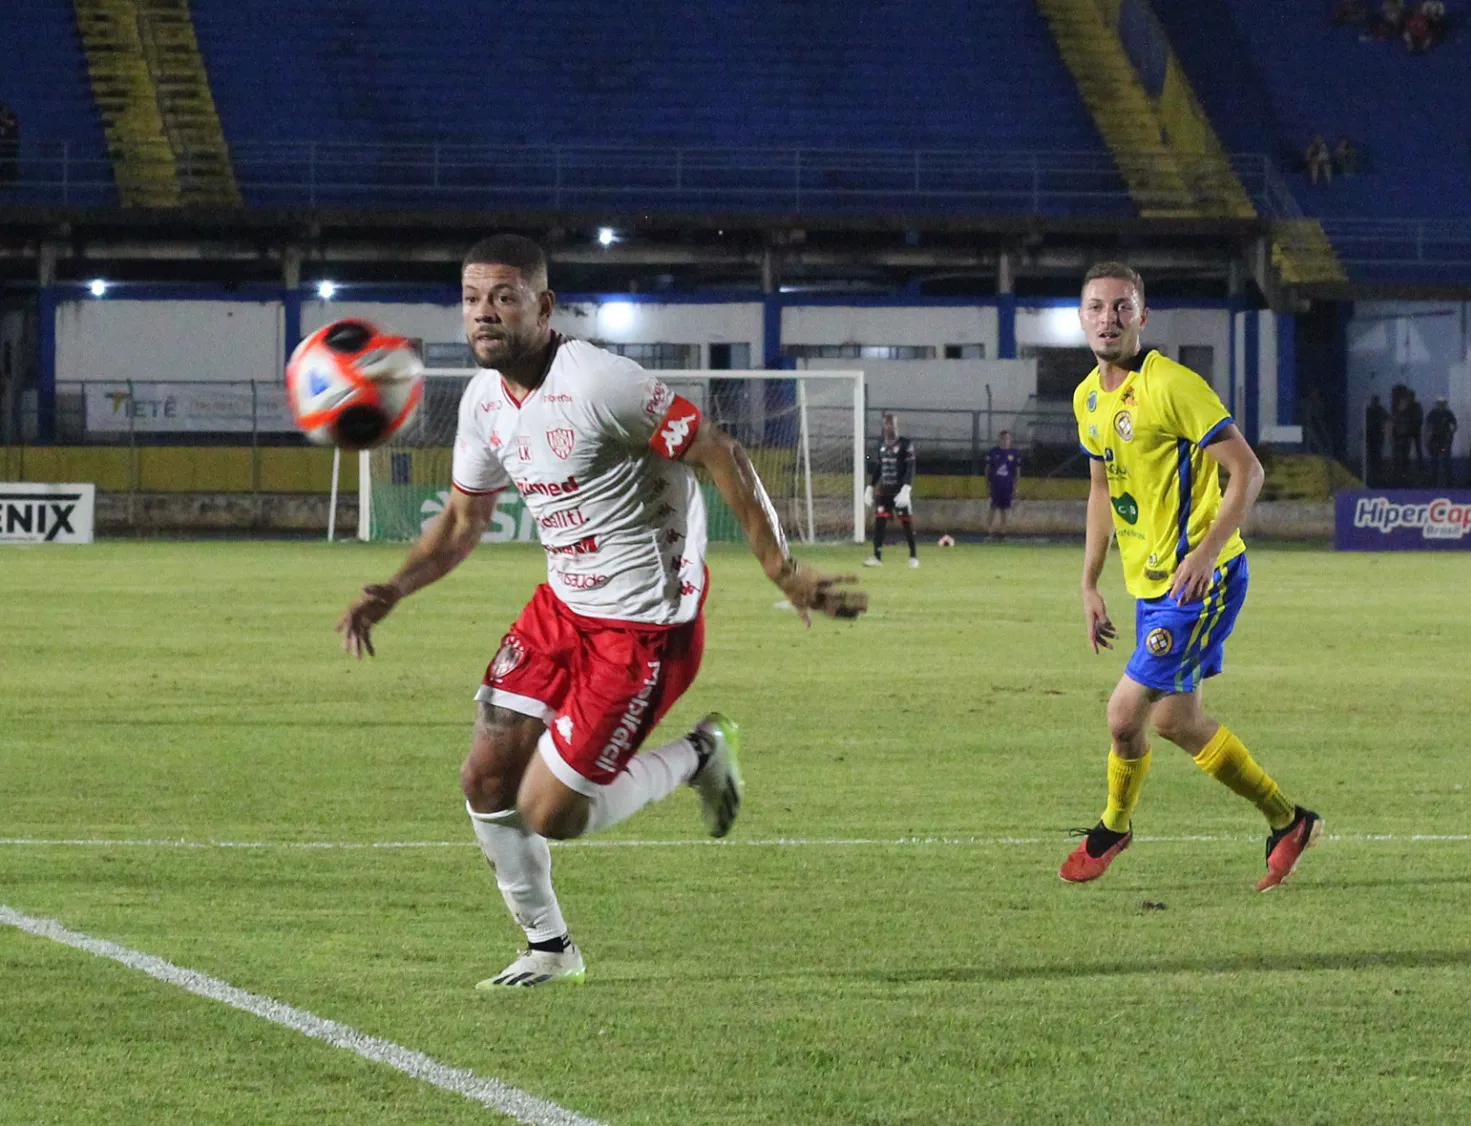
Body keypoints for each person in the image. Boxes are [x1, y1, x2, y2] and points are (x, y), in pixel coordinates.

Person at [336, 234, 867, 989]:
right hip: (564, 606)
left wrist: (782, 569)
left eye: (504, 297)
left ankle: (700, 755)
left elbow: (721, 450)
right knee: (486, 781)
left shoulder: (600, 383)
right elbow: (461, 521)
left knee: (551, 812)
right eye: (471, 299)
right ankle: (549, 949)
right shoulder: (485, 402)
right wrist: (393, 587)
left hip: (647, 624)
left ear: (544, 306)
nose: (484, 315)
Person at [1062, 262, 1321, 893]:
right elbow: (1101, 489)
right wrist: (1090, 582)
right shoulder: (1087, 399)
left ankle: (1113, 827)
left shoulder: (1172, 386)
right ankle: (1288, 821)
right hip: (1150, 587)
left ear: (1142, 317)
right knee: (1175, 721)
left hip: (1198, 581)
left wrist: (1204, 552)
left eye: (1122, 307)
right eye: (1097, 307)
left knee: (1124, 714)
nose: (1108, 318)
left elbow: (1248, 471)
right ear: (1081, 317)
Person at [863, 412, 918, 567]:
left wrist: (907, 488)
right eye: (886, 424)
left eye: (891, 424)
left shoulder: (906, 444)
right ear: (883, 426)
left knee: (906, 522)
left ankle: (913, 556)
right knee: (880, 520)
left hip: (899, 491)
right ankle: (877, 556)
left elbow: (910, 467)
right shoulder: (881, 444)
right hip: (884, 490)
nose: (889, 427)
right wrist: (870, 486)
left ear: (896, 425)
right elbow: (879, 467)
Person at [985, 429, 1022, 540]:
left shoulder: (1015, 453)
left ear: (1010, 440)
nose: (1006, 441)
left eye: (1008, 438)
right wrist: (987, 485)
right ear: (1000, 439)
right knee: (993, 508)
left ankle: (1003, 534)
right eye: (1003, 438)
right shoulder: (993, 452)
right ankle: (989, 533)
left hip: (1008, 486)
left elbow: (1017, 471)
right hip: (996, 485)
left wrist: (1016, 486)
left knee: (1005, 510)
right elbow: (987, 470)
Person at [1424, 396, 1456, 485]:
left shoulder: (1448, 413)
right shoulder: (1432, 413)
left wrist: (1450, 435)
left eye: (1442, 403)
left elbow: (1454, 425)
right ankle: (1433, 481)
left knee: (1446, 460)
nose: (1440, 405)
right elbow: (1427, 426)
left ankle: (1449, 482)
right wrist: (1427, 438)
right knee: (1434, 460)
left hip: (1445, 440)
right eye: (1439, 403)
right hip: (1435, 440)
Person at [1365, 393, 1389, 484]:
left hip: (1377, 435)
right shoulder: (1370, 410)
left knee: (1377, 453)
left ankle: (1377, 470)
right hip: (1371, 435)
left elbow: (1387, 418)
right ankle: (1373, 470)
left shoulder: (1379, 410)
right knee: (1372, 453)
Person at [0, 103, 19, 186]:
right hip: (2, 147)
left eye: (6, 108)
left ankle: (11, 180)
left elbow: (11, 123)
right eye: (3, 109)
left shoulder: (11, 116)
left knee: (10, 163)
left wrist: (2, 119)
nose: (5, 110)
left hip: (11, 146)